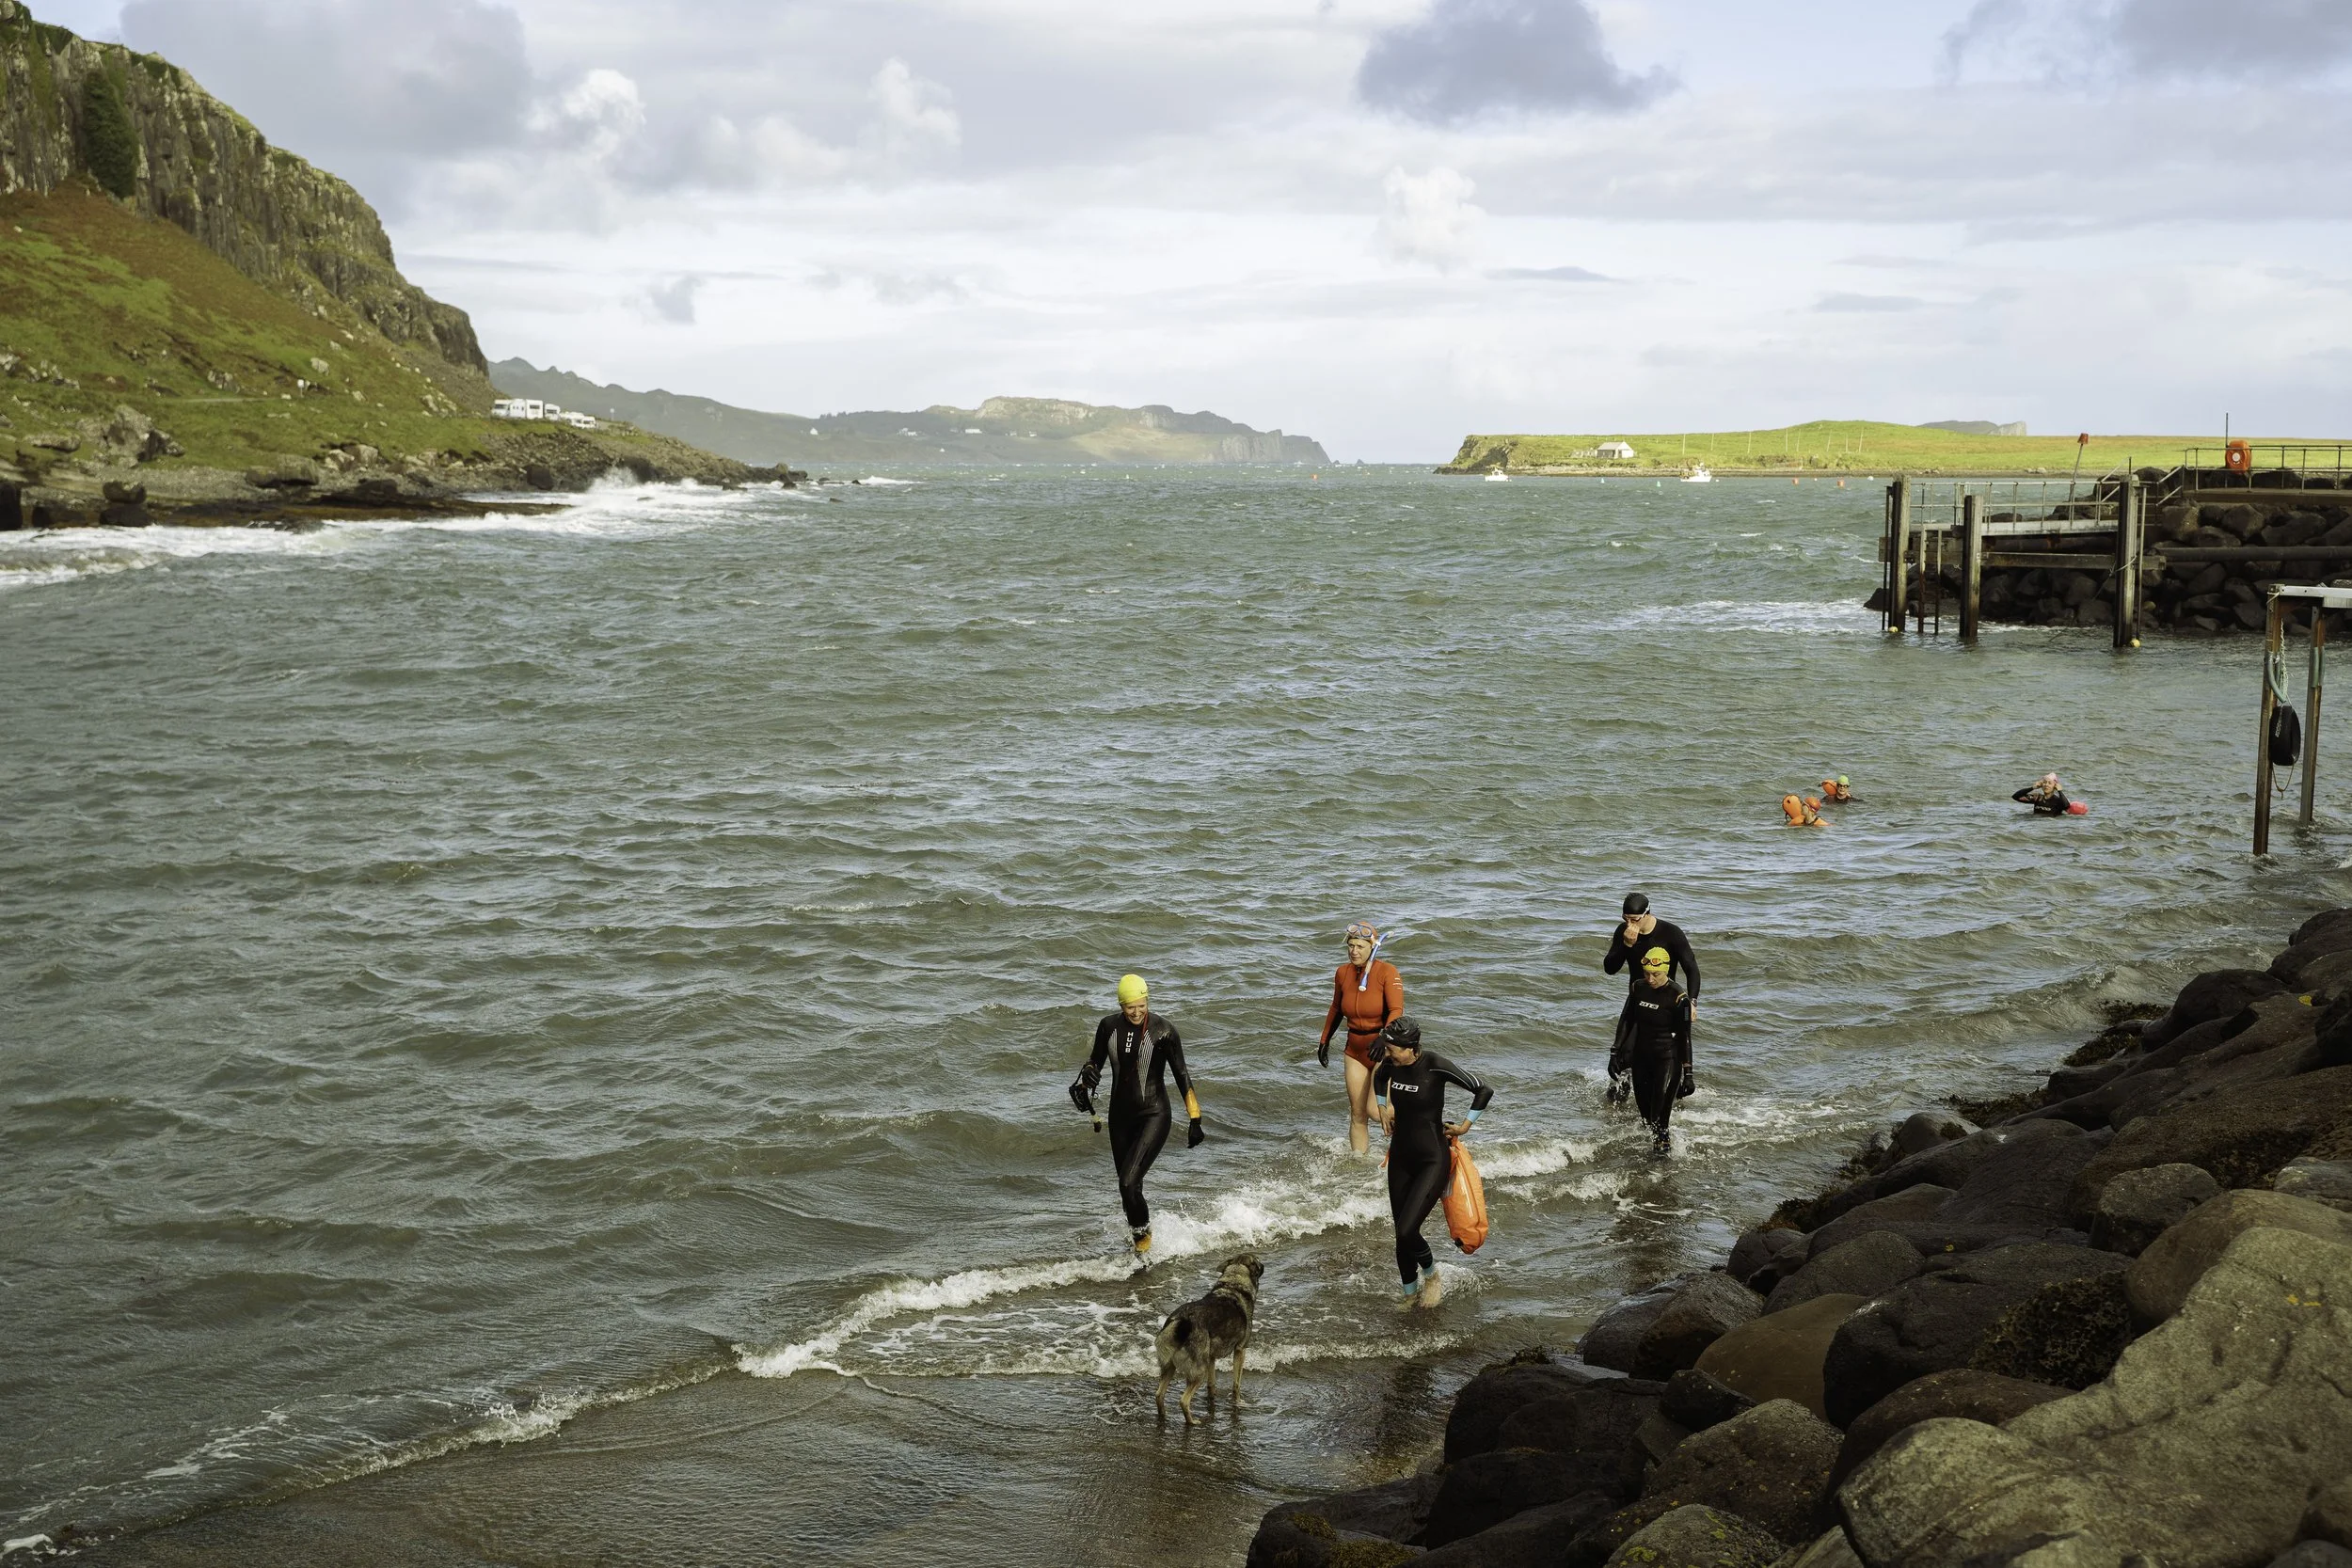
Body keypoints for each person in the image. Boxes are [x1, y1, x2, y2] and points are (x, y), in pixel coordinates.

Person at [1073, 974, 1202, 1260]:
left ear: (1147, 1000)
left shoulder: (1163, 1031)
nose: (1136, 1011)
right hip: (1120, 1117)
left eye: (1141, 1005)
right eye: (1130, 1006)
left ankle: (1144, 1244)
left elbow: (1182, 1074)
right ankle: (1140, 1247)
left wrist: (1195, 1118)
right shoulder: (1108, 1027)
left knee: (1127, 1183)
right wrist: (1088, 1074)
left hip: (1154, 1114)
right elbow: (1095, 1061)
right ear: (1121, 1004)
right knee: (1129, 1189)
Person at [1371, 1016, 1491, 1307]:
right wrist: (1382, 1106)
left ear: (1411, 1048)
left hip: (1432, 1159)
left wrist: (1464, 1125)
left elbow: (1482, 1090)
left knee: (1407, 1230)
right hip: (1400, 1156)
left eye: (1392, 1050)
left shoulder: (1435, 1065)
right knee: (1401, 1235)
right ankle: (1410, 1297)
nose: (1387, 1055)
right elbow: (1378, 1077)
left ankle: (1431, 1275)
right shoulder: (1392, 1062)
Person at [1603, 895, 1700, 1102]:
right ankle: (1617, 1111)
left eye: (1635, 919)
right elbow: (1609, 968)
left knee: (1669, 1051)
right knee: (1622, 1059)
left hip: (1667, 1003)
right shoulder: (1623, 933)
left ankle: (1678, 1090)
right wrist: (1626, 945)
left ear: (1648, 913)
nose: (1630, 924)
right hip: (1638, 1002)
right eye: (1625, 918)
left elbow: (1692, 969)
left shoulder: (1670, 933)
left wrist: (1692, 1001)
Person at [1320, 921, 1404, 1154]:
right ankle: (1358, 1163)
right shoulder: (1342, 973)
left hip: (1381, 1049)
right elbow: (1336, 1008)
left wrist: (1384, 1037)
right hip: (1354, 1049)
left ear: (1372, 948)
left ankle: (1414, 1114)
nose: (1354, 951)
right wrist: (1324, 1040)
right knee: (1357, 1113)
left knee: (1376, 1112)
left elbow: (1397, 1010)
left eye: (1360, 947)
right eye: (1351, 946)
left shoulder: (1387, 972)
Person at [1623, 946, 1694, 1154]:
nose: (1651, 979)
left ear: (1666, 971)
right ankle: (1655, 1157)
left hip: (1667, 1059)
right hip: (1641, 1058)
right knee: (1646, 1118)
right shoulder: (1638, 987)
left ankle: (1662, 1166)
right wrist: (1616, 1052)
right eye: (1647, 974)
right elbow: (1627, 1020)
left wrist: (1688, 1074)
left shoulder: (1679, 999)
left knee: (1659, 1119)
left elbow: (1685, 1037)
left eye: (1656, 974)